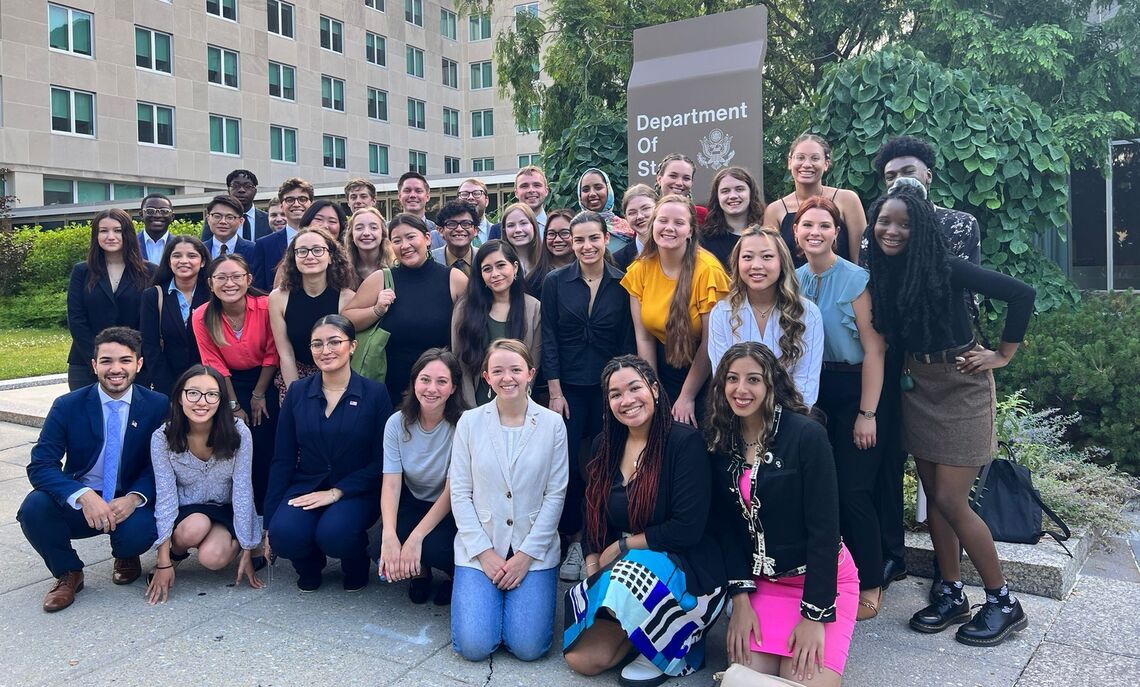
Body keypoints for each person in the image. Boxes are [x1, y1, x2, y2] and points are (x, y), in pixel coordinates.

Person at [866, 181, 1035, 646]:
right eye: (884, 221)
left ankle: (1004, 601)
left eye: (904, 223)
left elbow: (1022, 294)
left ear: (921, 227)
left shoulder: (946, 266)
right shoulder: (882, 273)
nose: (892, 230)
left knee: (951, 500)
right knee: (934, 496)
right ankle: (952, 591)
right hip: (916, 387)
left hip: (961, 384)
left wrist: (1002, 355)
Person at [563, 356, 725, 685]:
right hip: (626, 568)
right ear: (607, 403)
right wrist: (594, 565)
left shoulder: (683, 442)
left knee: (630, 569)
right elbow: (592, 511)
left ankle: (680, 640)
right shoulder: (603, 445)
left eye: (635, 387)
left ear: (654, 389)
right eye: (615, 394)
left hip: (685, 563)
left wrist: (623, 545)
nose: (627, 400)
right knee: (583, 659)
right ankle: (644, 633)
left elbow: (687, 528)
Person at [870, 137, 982, 595]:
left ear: (928, 175)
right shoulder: (881, 225)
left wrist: (994, 352)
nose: (902, 179)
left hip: (950, 357)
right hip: (900, 357)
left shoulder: (957, 224)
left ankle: (948, 573)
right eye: (893, 174)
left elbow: (965, 289)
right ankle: (905, 561)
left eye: (910, 170)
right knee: (908, 464)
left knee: (947, 489)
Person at [707, 343, 854, 686]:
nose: (741, 390)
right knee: (746, 679)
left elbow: (825, 531)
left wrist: (814, 616)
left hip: (820, 582)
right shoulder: (719, 440)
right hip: (761, 587)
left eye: (753, 379)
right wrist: (740, 599)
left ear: (771, 383)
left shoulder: (806, 436)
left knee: (799, 680)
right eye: (732, 379)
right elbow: (726, 528)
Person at [18, 327, 167, 612]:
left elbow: (160, 464)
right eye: (107, 361)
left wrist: (135, 497)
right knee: (34, 507)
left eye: (125, 360)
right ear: (94, 365)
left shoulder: (158, 405)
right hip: (83, 496)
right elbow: (41, 465)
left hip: (127, 498)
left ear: (139, 364)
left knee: (140, 531)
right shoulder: (67, 405)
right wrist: (83, 494)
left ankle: (126, 554)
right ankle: (68, 572)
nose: (116, 369)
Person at [793, 196, 887, 620]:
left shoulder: (855, 279)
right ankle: (829, 575)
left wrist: (867, 414)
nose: (815, 232)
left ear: (837, 232)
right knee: (816, 490)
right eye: (806, 225)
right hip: (810, 390)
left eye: (824, 226)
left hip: (853, 388)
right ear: (795, 233)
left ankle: (871, 582)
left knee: (852, 491)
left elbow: (874, 350)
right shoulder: (792, 280)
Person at [449, 339, 568, 662]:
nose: (507, 378)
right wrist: (484, 554)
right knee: (473, 648)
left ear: (530, 373)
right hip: (482, 544)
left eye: (515, 370)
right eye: (498, 371)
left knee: (529, 648)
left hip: (533, 547)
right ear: (486, 377)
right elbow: (460, 493)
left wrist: (526, 556)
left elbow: (555, 494)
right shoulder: (469, 423)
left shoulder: (552, 424)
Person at [265, 315, 394, 592]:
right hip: (307, 483)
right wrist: (269, 518)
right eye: (317, 344)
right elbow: (283, 458)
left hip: (356, 489)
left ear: (353, 346)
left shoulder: (375, 393)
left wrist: (338, 492)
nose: (326, 351)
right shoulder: (298, 392)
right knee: (283, 533)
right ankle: (308, 565)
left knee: (335, 533)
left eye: (335, 342)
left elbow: (382, 460)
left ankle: (355, 562)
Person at [540, 211, 633, 581]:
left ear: (606, 238)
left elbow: (627, 340)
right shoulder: (555, 281)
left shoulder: (624, 283)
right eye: (579, 240)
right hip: (568, 390)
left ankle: (604, 538)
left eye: (593, 238)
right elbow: (548, 337)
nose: (586, 246)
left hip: (609, 389)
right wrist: (554, 390)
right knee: (568, 465)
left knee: (607, 461)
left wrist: (623, 391)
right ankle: (574, 538)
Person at [145, 365, 264, 604]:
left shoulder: (238, 432)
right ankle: (177, 554)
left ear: (221, 400)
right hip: (189, 509)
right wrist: (163, 560)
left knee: (214, 559)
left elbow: (242, 490)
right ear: (180, 396)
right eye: (193, 393)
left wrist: (249, 547)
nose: (202, 402)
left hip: (224, 506)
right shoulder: (163, 437)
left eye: (212, 394)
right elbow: (166, 495)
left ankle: (240, 543)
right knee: (194, 527)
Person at [622, 194, 729, 426]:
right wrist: (653, 388)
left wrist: (687, 396)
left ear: (690, 231)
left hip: (703, 371)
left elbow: (710, 344)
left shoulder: (709, 271)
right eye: (663, 221)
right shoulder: (639, 269)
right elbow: (644, 338)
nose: (669, 228)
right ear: (653, 225)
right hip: (659, 366)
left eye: (679, 223)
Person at [343, 214, 468, 404]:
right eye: (397, 240)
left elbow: (475, 324)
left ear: (427, 239)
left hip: (440, 391)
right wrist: (376, 310)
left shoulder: (454, 279)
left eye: (411, 237)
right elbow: (346, 320)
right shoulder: (381, 279)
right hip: (391, 391)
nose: (405, 245)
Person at [191, 254, 279, 515]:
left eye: (236, 276)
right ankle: (237, 508)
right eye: (221, 277)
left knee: (265, 435)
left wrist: (259, 394)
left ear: (248, 279)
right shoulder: (201, 316)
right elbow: (213, 362)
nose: (229, 283)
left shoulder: (265, 306)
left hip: (266, 377)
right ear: (210, 282)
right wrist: (232, 404)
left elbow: (272, 352)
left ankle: (266, 508)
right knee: (233, 438)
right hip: (226, 383)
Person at [380, 348, 466, 605]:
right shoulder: (397, 423)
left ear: (453, 388)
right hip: (414, 499)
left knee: (435, 547)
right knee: (380, 547)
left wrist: (415, 538)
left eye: (442, 382)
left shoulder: (463, 425)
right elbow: (392, 482)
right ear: (414, 382)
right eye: (425, 379)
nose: (431, 388)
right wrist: (389, 535)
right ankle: (420, 572)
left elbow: (453, 491)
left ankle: (455, 577)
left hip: (452, 507)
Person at [708, 225, 823, 406]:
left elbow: (806, 384)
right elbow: (723, 380)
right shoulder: (722, 313)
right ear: (737, 263)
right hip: (738, 414)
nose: (756, 265)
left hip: (793, 416)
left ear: (781, 262)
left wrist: (782, 424)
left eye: (767, 257)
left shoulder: (807, 313)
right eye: (747, 257)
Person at [66, 209, 155, 390]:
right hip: (86, 363)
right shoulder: (81, 272)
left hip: (135, 365)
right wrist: (98, 359)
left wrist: (131, 357)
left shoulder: (150, 272)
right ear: (96, 235)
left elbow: (151, 322)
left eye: (117, 230)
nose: (110, 236)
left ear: (128, 234)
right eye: (103, 231)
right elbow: (76, 319)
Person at [268, 227, 356, 402]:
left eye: (318, 250)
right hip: (294, 377)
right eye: (302, 251)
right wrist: (297, 394)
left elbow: (349, 351)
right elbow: (286, 354)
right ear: (294, 258)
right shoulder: (278, 298)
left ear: (331, 256)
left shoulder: (347, 298)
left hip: (338, 377)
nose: (310, 256)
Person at [451, 240, 542, 406]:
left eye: (501, 265)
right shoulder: (465, 308)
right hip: (476, 403)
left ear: (514, 268)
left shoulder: (533, 307)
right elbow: (460, 363)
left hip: (518, 402)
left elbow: (533, 363)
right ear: (480, 275)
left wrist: (519, 401)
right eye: (487, 269)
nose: (495, 273)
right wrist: (470, 411)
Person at [763, 134, 867, 265]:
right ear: (790, 162)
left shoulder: (847, 200)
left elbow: (861, 260)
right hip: (793, 285)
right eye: (800, 158)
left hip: (843, 284)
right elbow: (770, 262)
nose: (806, 164)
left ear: (826, 164)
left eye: (815, 158)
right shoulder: (775, 210)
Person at [139, 235, 211, 395]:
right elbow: (150, 345)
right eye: (177, 256)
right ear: (169, 260)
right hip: (166, 382)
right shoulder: (153, 295)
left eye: (192, 256)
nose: (184, 261)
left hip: (208, 380)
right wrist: (167, 387)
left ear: (203, 261)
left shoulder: (213, 294)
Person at [253, 177, 313, 291]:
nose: (296, 204)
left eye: (302, 199)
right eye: (290, 199)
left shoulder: (325, 240)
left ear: (311, 203)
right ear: (281, 205)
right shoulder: (264, 245)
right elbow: (259, 289)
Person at [701, 167, 765, 270]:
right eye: (725, 191)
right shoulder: (704, 239)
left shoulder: (767, 234)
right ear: (717, 197)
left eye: (739, 189)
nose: (733, 196)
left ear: (751, 192)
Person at [577, 168, 635, 252]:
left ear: (608, 190)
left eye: (598, 187)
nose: (592, 194)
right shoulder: (575, 228)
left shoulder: (627, 228)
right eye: (586, 190)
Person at [497, 202, 548, 296]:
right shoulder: (497, 265)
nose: (518, 230)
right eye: (511, 225)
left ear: (534, 226)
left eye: (523, 223)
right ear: (504, 231)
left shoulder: (548, 261)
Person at [490, 166, 550, 239]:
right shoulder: (497, 231)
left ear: (546, 191)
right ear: (516, 193)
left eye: (537, 185)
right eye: (524, 186)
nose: (531, 190)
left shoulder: (558, 226)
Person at [202, 195, 258, 265]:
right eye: (217, 216)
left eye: (229, 217)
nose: (223, 221)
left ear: (241, 221)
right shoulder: (200, 250)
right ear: (208, 219)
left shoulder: (254, 250)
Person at [655, 152, 707, 226]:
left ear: (692, 182)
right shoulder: (647, 214)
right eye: (673, 176)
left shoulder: (702, 215)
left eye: (686, 178)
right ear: (659, 179)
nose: (679, 183)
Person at [344, 206, 393, 285]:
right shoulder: (342, 272)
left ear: (383, 234)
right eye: (359, 228)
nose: (366, 233)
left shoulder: (395, 268)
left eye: (373, 228)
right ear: (351, 235)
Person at [613, 184, 657, 271]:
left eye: (645, 208)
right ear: (626, 217)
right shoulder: (617, 261)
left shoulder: (673, 250)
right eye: (632, 213)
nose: (640, 216)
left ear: (658, 207)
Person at [430, 200, 479, 276]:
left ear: (475, 230)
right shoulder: (430, 261)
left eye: (466, 224)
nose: (459, 229)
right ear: (440, 230)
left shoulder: (485, 258)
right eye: (451, 224)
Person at [226, 169, 271, 241]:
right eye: (236, 186)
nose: (241, 190)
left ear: (255, 191)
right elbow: (205, 249)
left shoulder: (268, 220)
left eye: (247, 186)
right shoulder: (216, 219)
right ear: (228, 190)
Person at [137, 193, 174, 265]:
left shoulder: (179, 245)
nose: (157, 215)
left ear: (172, 216)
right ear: (141, 215)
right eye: (150, 211)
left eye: (164, 211)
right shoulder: (129, 244)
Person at [457, 177, 493, 245]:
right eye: (465, 194)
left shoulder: (500, 232)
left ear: (486, 201)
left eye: (476, 193)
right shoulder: (440, 236)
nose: (470, 197)